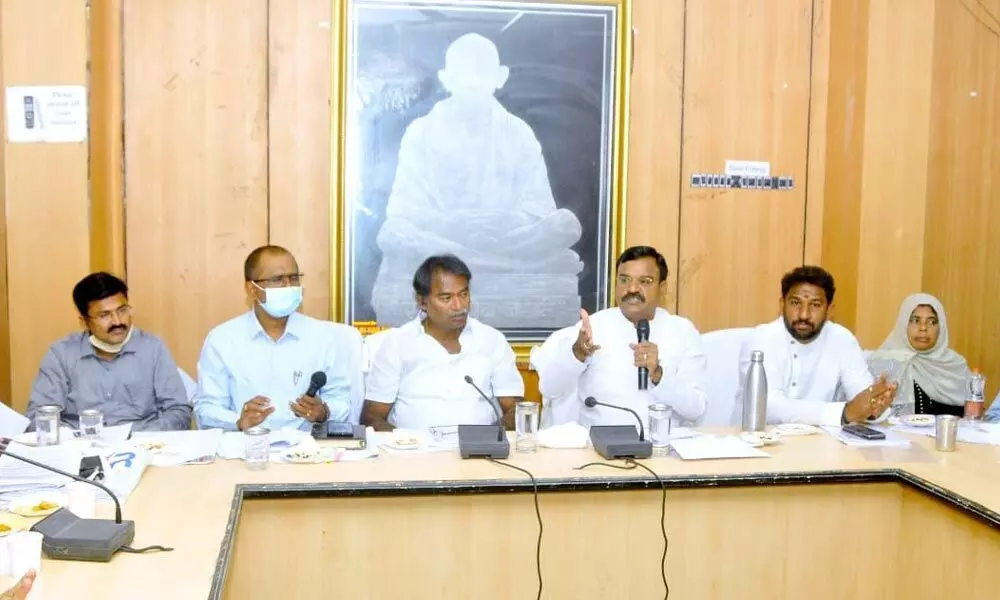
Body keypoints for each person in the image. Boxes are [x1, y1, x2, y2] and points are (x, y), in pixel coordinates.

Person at [371, 32, 583, 328]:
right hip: (439, 241)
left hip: (506, 240)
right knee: (393, 232)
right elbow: (405, 212)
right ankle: (477, 263)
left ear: (500, 77)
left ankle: (475, 263)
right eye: (463, 74)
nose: (472, 82)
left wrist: (500, 222)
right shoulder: (422, 133)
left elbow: (539, 210)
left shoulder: (518, 134)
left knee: (566, 223)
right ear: (446, 78)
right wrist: (457, 225)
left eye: (479, 73)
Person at [534, 246, 708, 428]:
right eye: (624, 280)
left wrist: (658, 374)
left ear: (662, 288)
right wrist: (576, 355)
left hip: (663, 449)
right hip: (598, 450)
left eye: (645, 281)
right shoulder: (591, 328)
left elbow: (697, 410)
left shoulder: (683, 332)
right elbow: (550, 389)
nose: (632, 289)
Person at [194, 246, 355, 431]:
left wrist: (324, 412)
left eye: (294, 278)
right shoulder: (222, 340)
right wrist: (238, 421)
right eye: (277, 279)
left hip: (307, 451)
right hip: (245, 448)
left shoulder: (323, 337)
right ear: (252, 289)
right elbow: (206, 409)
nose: (289, 286)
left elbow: (342, 400)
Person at [361, 254, 524, 431]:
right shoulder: (397, 343)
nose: (458, 305)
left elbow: (517, 410)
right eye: (446, 298)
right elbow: (372, 416)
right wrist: (403, 444)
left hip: (478, 453)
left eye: (463, 294)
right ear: (422, 301)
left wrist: (488, 439)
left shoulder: (492, 340)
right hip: (416, 452)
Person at [26, 273, 190, 431]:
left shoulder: (152, 348)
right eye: (105, 315)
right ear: (84, 322)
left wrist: (142, 438)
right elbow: (39, 417)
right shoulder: (61, 355)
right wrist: (76, 440)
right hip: (81, 448)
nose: (117, 321)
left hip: (143, 446)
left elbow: (178, 411)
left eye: (122, 310)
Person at [735, 266, 897, 426]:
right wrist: (844, 413)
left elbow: (862, 393)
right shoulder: (763, 338)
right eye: (795, 302)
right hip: (760, 440)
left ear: (830, 310)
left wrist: (875, 407)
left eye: (815, 305)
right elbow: (768, 407)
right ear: (781, 304)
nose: (803, 314)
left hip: (821, 442)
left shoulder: (842, 339)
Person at [868, 293, 967, 417]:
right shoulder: (883, 364)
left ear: (941, 327)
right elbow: (866, 414)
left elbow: (973, 416)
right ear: (903, 324)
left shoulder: (956, 365)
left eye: (932, 322)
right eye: (915, 321)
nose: (923, 328)